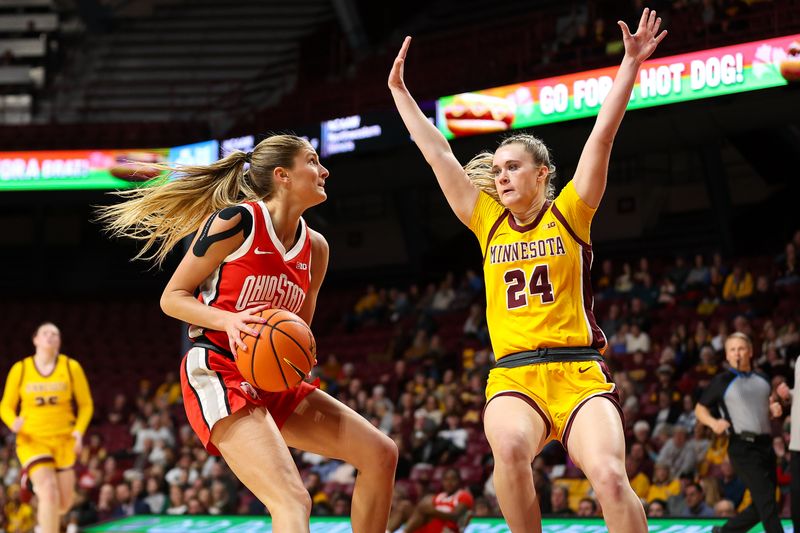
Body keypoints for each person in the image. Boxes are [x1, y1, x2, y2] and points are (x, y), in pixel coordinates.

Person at [388, 8, 666, 533]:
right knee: (510, 451)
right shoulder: (487, 220)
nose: (502, 175)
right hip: (514, 374)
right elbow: (437, 154)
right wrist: (401, 94)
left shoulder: (571, 212)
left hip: (579, 372)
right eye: (496, 169)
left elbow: (601, 137)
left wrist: (629, 65)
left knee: (608, 476)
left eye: (512, 166)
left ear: (543, 174)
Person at [98, 135, 398, 531]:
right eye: (312, 161)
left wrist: (302, 354)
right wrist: (230, 321)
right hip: (218, 368)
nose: (324, 170)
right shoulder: (237, 221)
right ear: (282, 176)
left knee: (381, 453)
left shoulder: (317, 248)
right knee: (291, 500)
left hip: (269, 377)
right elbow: (172, 298)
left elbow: (300, 329)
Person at [0, 322, 94, 533]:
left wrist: (79, 432)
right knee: (49, 492)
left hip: (63, 439)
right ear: (35, 339)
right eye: (45, 333)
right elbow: (5, 405)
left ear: (59, 341)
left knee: (63, 504)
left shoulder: (71, 367)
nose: (50, 336)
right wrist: (12, 420)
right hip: (32, 439)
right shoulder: (21, 369)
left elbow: (86, 404)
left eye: (55, 334)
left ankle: (35, 500)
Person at [695, 332, 784, 533]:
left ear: (750, 352)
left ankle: (724, 532)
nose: (737, 353)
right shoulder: (721, 381)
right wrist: (713, 422)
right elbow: (700, 409)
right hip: (742, 447)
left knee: (766, 502)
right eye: (732, 349)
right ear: (726, 355)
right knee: (767, 502)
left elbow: (763, 408)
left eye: (741, 348)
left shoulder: (762, 378)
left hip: (765, 445)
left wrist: (773, 410)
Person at [388, 468, 473, 533]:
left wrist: (432, 511)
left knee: (425, 507)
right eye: (446, 480)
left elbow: (455, 516)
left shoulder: (464, 495)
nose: (449, 483)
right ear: (442, 481)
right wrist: (429, 510)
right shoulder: (439, 496)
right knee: (404, 506)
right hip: (426, 526)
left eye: (452, 479)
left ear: (459, 481)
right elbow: (421, 512)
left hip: (444, 530)